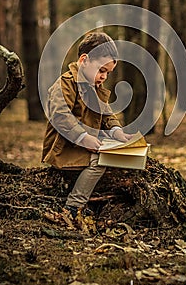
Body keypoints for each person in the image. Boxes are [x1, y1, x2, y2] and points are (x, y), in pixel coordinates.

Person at [42, 32, 131, 219]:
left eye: (108, 72)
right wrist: (83, 137)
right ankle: (73, 207)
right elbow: (60, 116)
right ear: (84, 60)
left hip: (84, 143)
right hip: (64, 147)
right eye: (101, 70)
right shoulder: (66, 84)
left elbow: (106, 113)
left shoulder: (94, 87)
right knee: (99, 162)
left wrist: (116, 131)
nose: (104, 77)